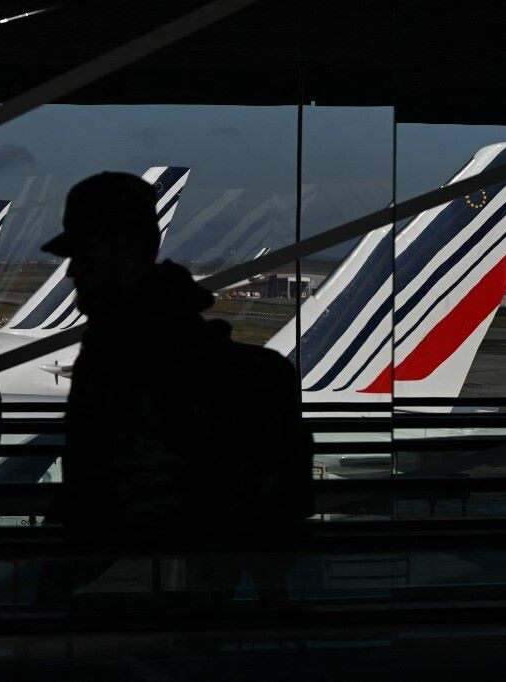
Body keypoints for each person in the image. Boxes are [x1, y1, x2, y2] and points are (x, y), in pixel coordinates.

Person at [38, 172, 311, 605]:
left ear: (123, 258)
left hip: (153, 590)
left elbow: (112, 495)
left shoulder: (129, 365)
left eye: (84, 255)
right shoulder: (125, 356)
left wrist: (56, 579)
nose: (73, 271)